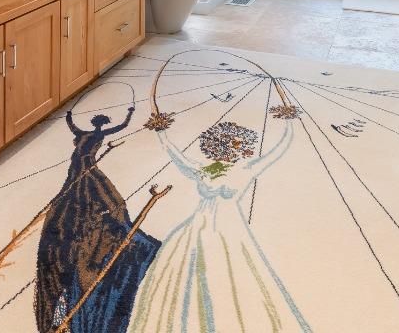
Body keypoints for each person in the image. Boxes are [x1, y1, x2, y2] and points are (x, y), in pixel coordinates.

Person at [127, 112, 311, 332]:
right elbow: (177, 157)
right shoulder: (208, 169)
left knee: (233, 269)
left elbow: (275, 152)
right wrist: (161, 132)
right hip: (199, 224)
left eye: (234, 145)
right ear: (213, 145)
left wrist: (289, 126)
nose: (228, 149)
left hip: (229, 227)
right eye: (223, 144)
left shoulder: (245, 169)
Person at [36, 107, 162, 333]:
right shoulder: (90, 134)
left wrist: (130, 115)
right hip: (79, 163)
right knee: (75, 185)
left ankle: (102, 210)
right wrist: (68, 116)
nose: (98, 124)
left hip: (85, 163)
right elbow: (74, 126)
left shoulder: (95, 135)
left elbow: (120, 127)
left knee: (94, 188)